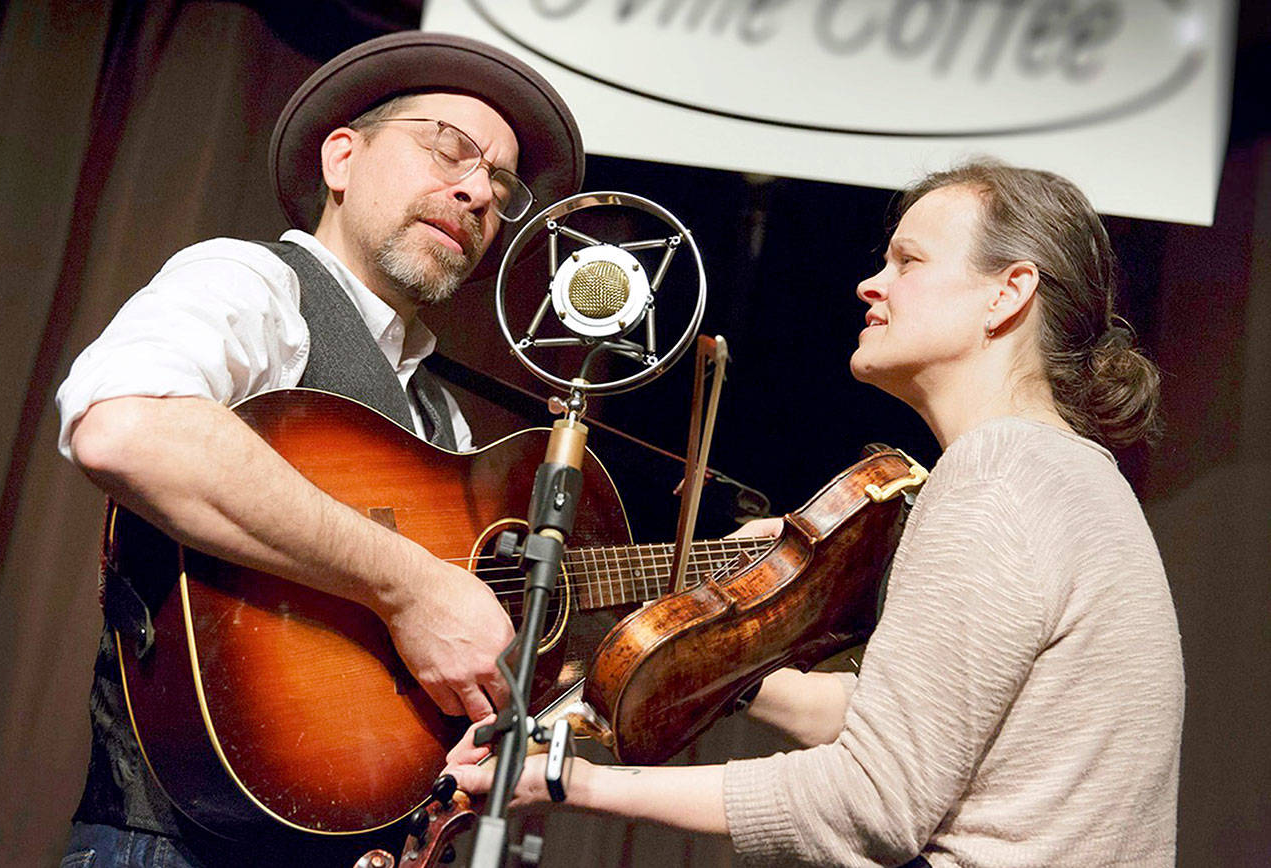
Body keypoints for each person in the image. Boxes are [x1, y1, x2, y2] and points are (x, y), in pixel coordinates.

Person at [448, 159, 1185, 867]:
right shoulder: (1073, 475)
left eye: (909, 262)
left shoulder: (995, 474)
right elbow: (915, 721)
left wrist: (573, 782)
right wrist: (726, 652)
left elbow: (872, 800)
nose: (872, 284)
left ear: (1007, 293)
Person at [55, 31, 583, 866]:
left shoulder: (445, 422)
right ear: (342, 158)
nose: (478, 190)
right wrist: (413, 588)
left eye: (502, 183)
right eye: (448, 147)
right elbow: (124, 424)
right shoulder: (252, 284)